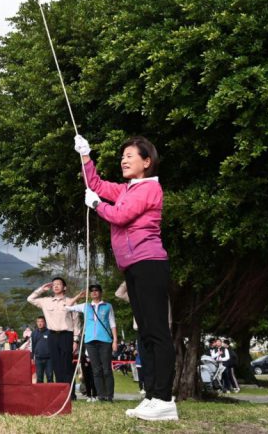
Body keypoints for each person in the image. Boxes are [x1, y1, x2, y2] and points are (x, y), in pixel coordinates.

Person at [76, 134, 177, 421]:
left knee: (157, 331)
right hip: (132, 265)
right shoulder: (126, 189)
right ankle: (153, 395)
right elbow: (95, 185)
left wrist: (97, 206)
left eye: (130, 155)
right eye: (123, 155)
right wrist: (86, 157)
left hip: (149, 262)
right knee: (144, 331)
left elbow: (120, 216)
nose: (124, 159)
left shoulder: (148, 189)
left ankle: (165, 398)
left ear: (147, 162)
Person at [27, 277, 82, 391]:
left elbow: (76, 322)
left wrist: (76, 340)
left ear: (64, 287)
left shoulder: (71, 301)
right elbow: (30, 299)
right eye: (54, 284)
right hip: (52, 335)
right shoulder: (46, 301)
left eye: (59, 284)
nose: (56, 286)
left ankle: (70, 393)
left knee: (67, 364)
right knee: (56, 365)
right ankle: (60, 391)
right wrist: (42, 289)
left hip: (67, 335)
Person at [68, 283, 118, 402]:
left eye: (96, 290)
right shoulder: (85, 306)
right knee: (96, 370)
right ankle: (100, 395)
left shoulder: (107, 306)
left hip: (105, 340)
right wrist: (79, 296)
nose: (94, 292)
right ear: (90, 294)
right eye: (92, 291)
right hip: (90, 341)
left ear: (100, 292)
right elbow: (68, 306)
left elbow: (112, 323)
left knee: (106, 369)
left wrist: (115, 340)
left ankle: (109, 396)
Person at [30, 316, 54, 383]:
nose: (40, 323)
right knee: (39, 378)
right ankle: (40, 393)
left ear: (45, 323)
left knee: (50, 377)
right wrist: (32, 357)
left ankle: (50, 393)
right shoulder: (34, 333)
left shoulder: (50, 332)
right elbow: (33, 345)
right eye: (38, 322)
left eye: (41, 321)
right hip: (38, 359)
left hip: (49, 359)